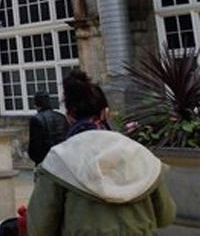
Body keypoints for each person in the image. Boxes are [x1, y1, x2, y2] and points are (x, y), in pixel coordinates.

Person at [27, 71, 177, 236]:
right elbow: (166, 217)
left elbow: (39, 228)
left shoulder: (59, 160)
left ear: (69, 117)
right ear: (105, 113)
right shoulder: (139, 154)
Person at [27, 91, 69, 165]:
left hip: (45, 161)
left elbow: (34, 147)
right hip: (62, 160)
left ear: (36, 105)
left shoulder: (36, 119)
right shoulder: (61, 117)